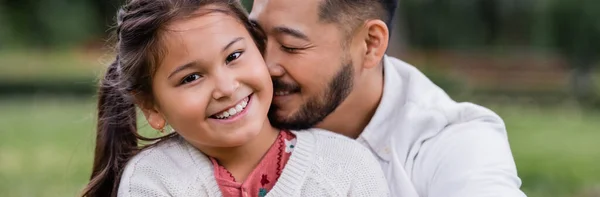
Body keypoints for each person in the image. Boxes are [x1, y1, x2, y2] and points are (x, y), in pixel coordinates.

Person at [80, 0, 389, 196]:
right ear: (152, 107)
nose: (226, 87)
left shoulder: (348, 167)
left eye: (235, 56)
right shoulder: (154, 180)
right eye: (191, 78)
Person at [249, 0, 527, 196]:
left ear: (371, 44)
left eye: (290, 46)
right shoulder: (235, 115)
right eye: (256, 39)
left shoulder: (451, 142)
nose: (265, 65)